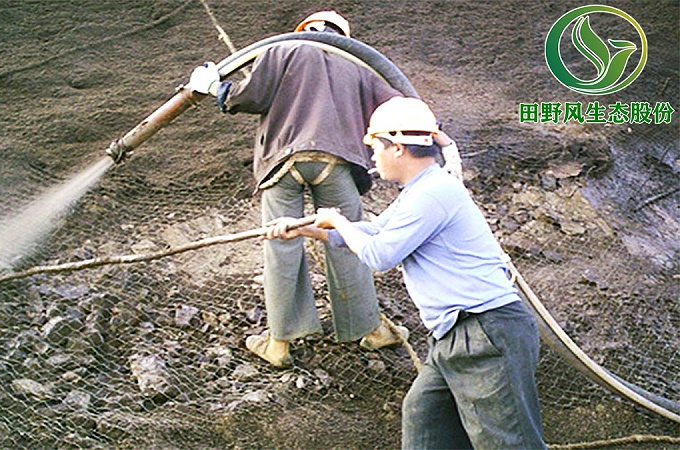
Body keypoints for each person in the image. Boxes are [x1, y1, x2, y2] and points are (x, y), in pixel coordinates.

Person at [266, 97, 546, 449]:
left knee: (506, 442)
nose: (372, 157)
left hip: (484, 332)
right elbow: (373, 232)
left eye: (375, 147)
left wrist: (336, 218)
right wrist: (305, 229)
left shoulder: (434, 193)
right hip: (454, 334)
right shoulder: (417, 193)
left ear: (397, 147)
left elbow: (379, 254)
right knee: (424, 419)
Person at [185, 11, 413, 368]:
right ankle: (371, 330)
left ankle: (279, 343)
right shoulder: (359, 65)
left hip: (283, 162)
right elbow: (400, 106)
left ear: (305, 30)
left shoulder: (281, 50)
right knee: (348, 241)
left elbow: (248, 97)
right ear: (343, 36)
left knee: (282, 244)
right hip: (336, 163)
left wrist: (216, 87)